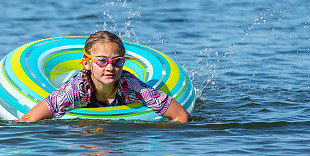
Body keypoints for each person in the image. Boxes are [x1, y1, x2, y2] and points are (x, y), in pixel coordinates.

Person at [19, 31, 191, 123]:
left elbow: (182, 116)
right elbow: (28, 120)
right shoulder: (75, 91)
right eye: (102, 61)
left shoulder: (132, 87)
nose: (110, 67)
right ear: (86, 63)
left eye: (117, 61)